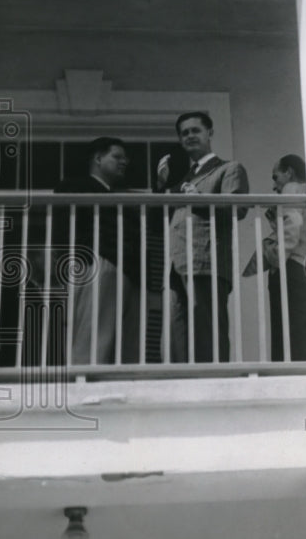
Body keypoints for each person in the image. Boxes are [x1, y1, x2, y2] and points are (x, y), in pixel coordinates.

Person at [156, 112, 249, 363]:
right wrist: (161, 186)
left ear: (209, 133)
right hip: (176, 265)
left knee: (207, 331)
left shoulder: (228, 168)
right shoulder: (183, 180)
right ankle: (180, 388)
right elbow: (162, 218)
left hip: (207, 261)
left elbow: (238, 209)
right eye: (184, 133)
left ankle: (215, 383)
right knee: (176, 334)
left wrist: (200, 199)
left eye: (195, 130)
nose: (189, 136)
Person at [53, 137, 141, 365]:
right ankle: (82, 383)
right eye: (117, 157)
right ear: (98, 158)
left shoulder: (119, 194)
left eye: (126, 158)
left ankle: (106, 387)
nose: (125, 162)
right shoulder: (76, 186)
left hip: (124, 271)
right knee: (93, 336)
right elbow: (64, 227)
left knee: (119, 341)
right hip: (98, 266)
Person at [243, 154, 306, 361]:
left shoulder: (291, 189)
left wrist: (275, 258)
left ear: (289, 172)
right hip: (304, 266)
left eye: (276, 177)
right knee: (299, 328)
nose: (274, 185)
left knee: (286, 330)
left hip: (290, 267)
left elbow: (292, 226)